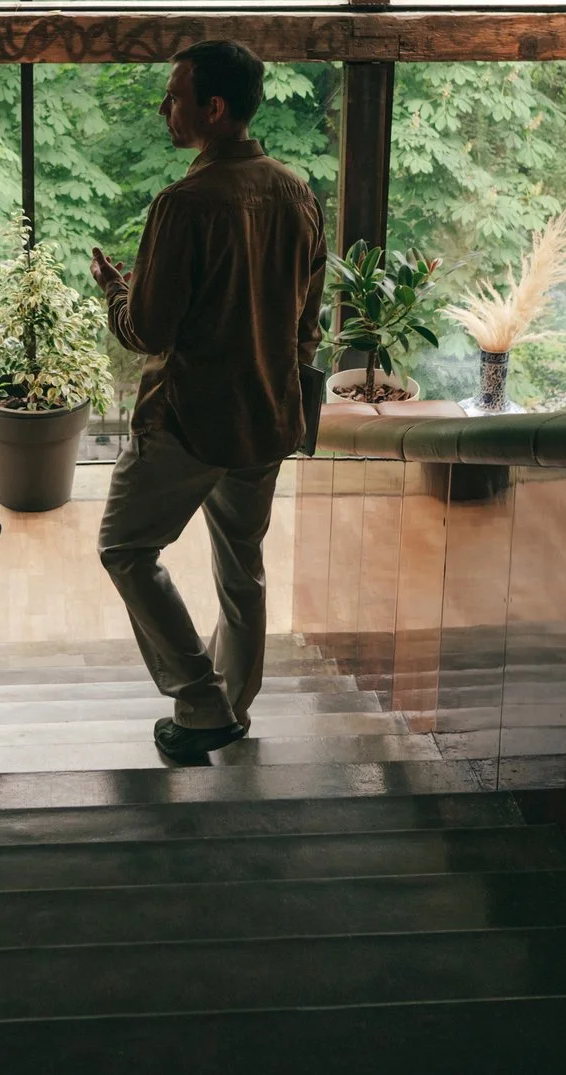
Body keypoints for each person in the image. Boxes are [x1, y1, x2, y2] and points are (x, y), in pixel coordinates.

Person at [89, 40, 327, 762]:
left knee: (125, 546)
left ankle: (198, 696)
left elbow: (150, 330)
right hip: (268, 416)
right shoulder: (297, 191)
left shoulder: (183, 204)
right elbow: (307, 319)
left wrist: (115, 292)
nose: (165, 106)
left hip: (190, 420)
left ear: (213, 109)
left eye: (174, 95)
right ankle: (234, 707)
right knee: (241, 565)